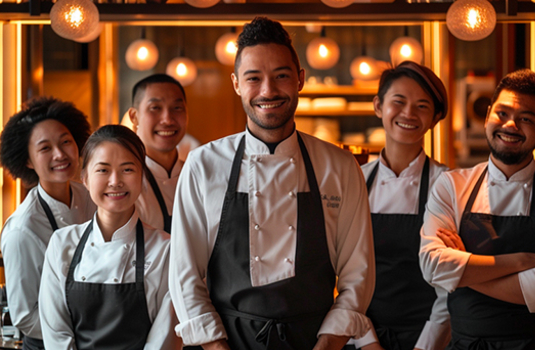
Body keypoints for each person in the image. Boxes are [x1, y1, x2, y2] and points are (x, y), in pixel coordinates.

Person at [169, 17, 375, 350]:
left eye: (281, 76)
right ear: (236, 83)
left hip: (316, 341)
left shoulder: (339, 166)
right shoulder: (203, 165)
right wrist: (215, 345)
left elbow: (358, 273)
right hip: (228, 342)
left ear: (300, 80)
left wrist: (329, 343)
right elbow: (184, 275)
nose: (268, 90)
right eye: (254, 78)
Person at [419, 69, 535, 349]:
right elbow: (433, 266)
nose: (511, 125)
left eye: (526, 119)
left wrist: (461, 271)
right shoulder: (451, 186)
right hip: (463, 344)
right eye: (502, 114)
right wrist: (519, 263)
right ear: (487, 118)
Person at [38, 125, 177, 349]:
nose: (115, 181)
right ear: (84, 178)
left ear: (142, 177)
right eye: (103, 170)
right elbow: (56, 334)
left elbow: (164, 337)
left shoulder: (165, 249)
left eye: (127, 169)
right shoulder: (62, 244)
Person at [350, 61, 451, 350]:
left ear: (434, 118)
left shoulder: (448, 186)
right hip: (362, 335)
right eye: (399, 101)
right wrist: (367, 343)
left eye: (422, 106)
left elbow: (450, 281)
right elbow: (346, 274)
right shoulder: (355, 182)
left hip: (430, 337)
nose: (408, 113)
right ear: (378, 106)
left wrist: (426, 346)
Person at [0, 96, 95, 350]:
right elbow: (25, 317)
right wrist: (84, 328)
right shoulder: (23, 229)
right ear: (28, 160)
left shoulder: (93, 198)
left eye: (66, 141)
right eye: (45, 148)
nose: (60, 154)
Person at [128, 73, 189, 233]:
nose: (167, 119)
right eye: (155, 108)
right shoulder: (125, 183)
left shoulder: (197, 176)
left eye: (177, 108)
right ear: (134, 117)